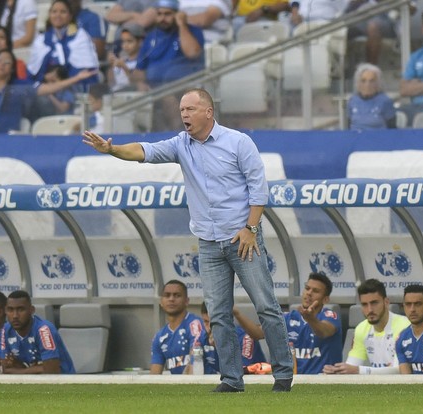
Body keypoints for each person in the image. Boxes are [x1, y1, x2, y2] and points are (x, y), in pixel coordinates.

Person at [82, 88, 295, 393]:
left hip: (242, 237)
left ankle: (284, 374)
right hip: (208, 242)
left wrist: (250, 228)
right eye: (182, 110)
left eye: (190, 109)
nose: (184, 115)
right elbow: (145, 151)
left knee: (266, 306)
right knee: (218, 314)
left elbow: (258, 189)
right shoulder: (181, 145)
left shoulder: (238, 142)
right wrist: (112, 150)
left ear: (208, 112)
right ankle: (232, 380)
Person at [134, 0, 204, 131]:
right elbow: (139, 69)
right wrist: (142, 84)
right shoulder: (151, 36)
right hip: (156, 88)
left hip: (184, 85)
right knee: (164, 97)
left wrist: (182, 25)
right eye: (159, 14)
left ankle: (180, 135)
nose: (162, 18)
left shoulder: (191, 31)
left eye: (167, 14)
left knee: (170, 99)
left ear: (177, 14)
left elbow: (192, 53)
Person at [323, 278, 408, 375]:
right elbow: (352, 365)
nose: (370, 309)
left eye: (374, 303)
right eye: (364, 304)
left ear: (386, 302)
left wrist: (358, 370)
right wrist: (338, 371)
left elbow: (399, 371)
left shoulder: (404, 326)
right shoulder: (361, 328)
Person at [0, 290, 76, 374]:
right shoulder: (5, 330)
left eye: (21, 309)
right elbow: (6, 369)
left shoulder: (44, 330)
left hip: (62, 382)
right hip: (29, 383)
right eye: (10, 310)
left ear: (31, 310)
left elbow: (51, 371)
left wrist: (19, 370)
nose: (15, 316)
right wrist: (37, 368)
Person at [28, 0, 100, 87]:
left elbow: (87, 70)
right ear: (49, 15)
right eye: (54, 12)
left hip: (74, 87)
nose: (58, 15)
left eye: (63, 12)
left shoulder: (80, 36)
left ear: (70, 16)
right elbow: (34, 73)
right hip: (47, 89)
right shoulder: (41, 40)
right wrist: (46, 77)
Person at [286, 272, 342, 375]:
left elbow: (323, 332)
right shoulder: (289, 317)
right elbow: (258, 333)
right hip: (295, 382)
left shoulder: (330, 316)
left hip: (324, 383)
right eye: (307, 288)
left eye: (315, 291)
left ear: (325, 299)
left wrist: (310, 319)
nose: (309, 293)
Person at [148, 280, 208, 374]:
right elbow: (154, 374)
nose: (171, 299)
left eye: (177, 295)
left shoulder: (195, 325)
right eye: (167, 295)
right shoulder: (159, 337)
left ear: (187, 301)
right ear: (161, 302)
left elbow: (195, 367)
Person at [199, 303, 266, 375]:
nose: (209, 327)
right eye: (206, 322)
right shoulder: (203, 337)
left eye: (213, 322)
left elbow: (242, 373)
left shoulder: (245, 338)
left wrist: (221, 347)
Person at [344, 0, 396, 65]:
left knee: (373, 26)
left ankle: (370, 68)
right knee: (342, 29)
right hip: (360, 17)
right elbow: (348, 7)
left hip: (385, 18)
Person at [347, 63, 395, 130]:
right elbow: (349, 127)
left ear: (378, 83)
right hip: (356, 139)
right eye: (363, 81)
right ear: (358, 83)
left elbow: (392, 130)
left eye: (372, 81)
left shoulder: (385, 101)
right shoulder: (353, 101)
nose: (367, 85)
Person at [107, 23, 144, 92]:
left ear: (140, 42)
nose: (125, 45)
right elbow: (112, 84)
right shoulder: (120, 60)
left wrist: (124, 67)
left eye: (129, 41)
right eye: (123, 41)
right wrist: (111, 67)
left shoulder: (143, 61)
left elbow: (138, 86)